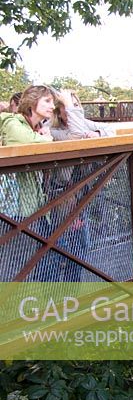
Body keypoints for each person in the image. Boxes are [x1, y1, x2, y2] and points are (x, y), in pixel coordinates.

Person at [0, 85, 58, 279]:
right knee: (15, 266)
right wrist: (47, 139)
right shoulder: (12, 122)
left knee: (34, 263)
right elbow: (27, 140)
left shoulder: (36, 128)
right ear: (32, 103)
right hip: (12, 209)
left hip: (32, 208)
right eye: (47, 101)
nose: (53, 106)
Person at [50, 90, 116, 140]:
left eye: (75, 105)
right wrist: (70, 107)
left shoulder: (84, 123)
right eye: (67, 105)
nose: (73, 109)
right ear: (58, 113)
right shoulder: (54, 131)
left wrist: (98, 134)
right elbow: (77, 134)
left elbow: (111, 128)